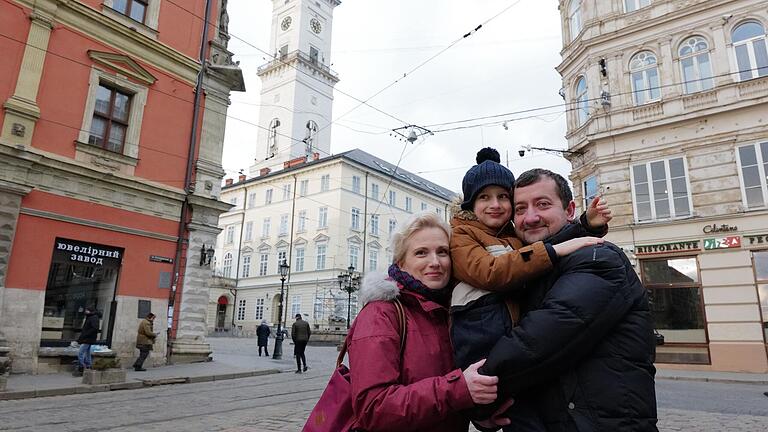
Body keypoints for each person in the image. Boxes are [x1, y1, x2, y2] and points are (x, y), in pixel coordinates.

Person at [478, 169, 658, 431]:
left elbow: (535, 345)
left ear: (570, 210)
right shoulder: (535, 271)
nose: (530, 217)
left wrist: (472, 394)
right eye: (520, 209)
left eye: (542, 204)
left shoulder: (597, 259)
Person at [450, 148, 610, 376]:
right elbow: (490, 271)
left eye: (503, 197)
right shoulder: (461, 234)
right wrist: (553, 251)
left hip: (508, 330)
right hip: (477, 333)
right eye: (484, 197)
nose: (495, 204)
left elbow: (546, 245)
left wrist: (585, 226)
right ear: (470, 205)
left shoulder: (513, 235)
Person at [347, 212, 505, 432]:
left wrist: (480, 416)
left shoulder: (450, 310)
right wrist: (458, 389)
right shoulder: (381, 314)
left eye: (442, 252)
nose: (435, 262)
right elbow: (373, 408)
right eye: (421, 253)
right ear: (401, 262)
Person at [75, 306, 99, 376]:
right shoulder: (90, 317)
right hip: (87, 338)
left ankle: (82, 367)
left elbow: (94, 328)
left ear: (90, 311)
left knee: (80, 353)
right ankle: (88, 366)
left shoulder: (93, 317)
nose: (85, 311)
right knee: (87, 352)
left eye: (87, 310)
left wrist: (85, 335)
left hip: (88, 338)